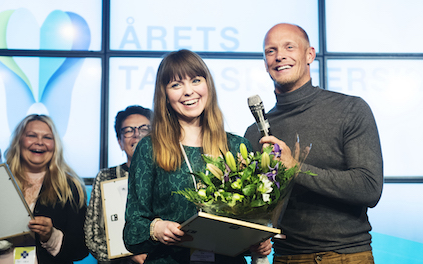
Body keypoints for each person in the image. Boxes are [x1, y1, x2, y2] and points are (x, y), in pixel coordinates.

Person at [244, 23, 384, 263]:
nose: (280, 56)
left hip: (346, 256)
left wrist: (295, 168)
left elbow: (369, 188)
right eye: (271, 51)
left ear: (309, 54)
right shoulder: (254, 134)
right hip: (286, 258)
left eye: (289, 47)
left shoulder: (350, 109)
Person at [123, 49, 272, 264]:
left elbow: (248, 222)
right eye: (176, 85)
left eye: (195, 80)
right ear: (164, 94)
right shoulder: (150, 148)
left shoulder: (237, 146)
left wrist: (257, 240)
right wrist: (157, 229)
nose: (188, 91)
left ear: (207, 85)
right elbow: (131, 231)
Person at [0, 114, 88, 263]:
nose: (39, 142)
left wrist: (51, 236)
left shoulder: (70, 187)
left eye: (47, 137)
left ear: (55, 145)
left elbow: (80, 250)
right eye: (32, 135)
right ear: (19, 141)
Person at [85, 105, 153, 264]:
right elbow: (92, 237)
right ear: (120, 141)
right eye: (128, 130)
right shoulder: (105, 177)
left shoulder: (166, 177)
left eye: (144, 129)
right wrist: (129, 253)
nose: (137, 135)